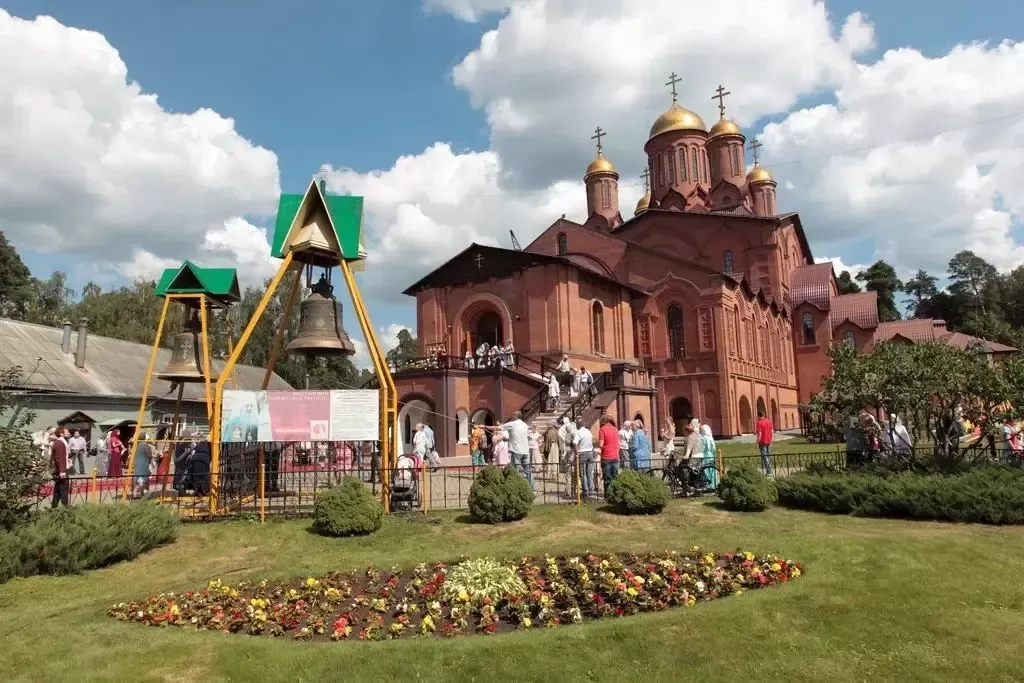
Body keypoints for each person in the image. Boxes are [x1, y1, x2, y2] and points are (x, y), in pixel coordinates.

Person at [497, 411, 532, 491]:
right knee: (528, 472)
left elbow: (497, 428)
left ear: (516, 416)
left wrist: (484, 426)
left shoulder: (512, 424)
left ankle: (515, 488)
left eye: (513, 415)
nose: (512, 416)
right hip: (525, 450)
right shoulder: (524, 424)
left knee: (515, 470)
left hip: (516, 450)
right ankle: (530, 489)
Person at [572, 417, 595, 500]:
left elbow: (574, 443)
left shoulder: (579, 432)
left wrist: (576, 451)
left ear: (578, 425)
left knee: (582, 473)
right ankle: (591, 489)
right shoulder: (588, 431)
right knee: (589, 472)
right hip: (590, 452)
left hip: (583, 452)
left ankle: (585, 491)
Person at [597, 416, 620, 491]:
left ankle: (607, 496)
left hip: (606, 457)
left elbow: (601, 444)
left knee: (607, 479)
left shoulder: (602, 430)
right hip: (615, 456)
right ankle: (615, 494)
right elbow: (618, 443)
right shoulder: (615, 429)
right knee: (615, 477)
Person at [49, 426, 70, 508]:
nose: (68, 432)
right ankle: (66, 509)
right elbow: (59, 457)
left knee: (58, 490)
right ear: (61, 433)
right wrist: (62, 471)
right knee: (63, 490)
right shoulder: (60, 443)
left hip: (61, 469)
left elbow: (63, 456)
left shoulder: (61, 442)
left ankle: (54, 507)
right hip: (60, 471)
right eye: (67, 431)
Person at [699, 424, 719, 489]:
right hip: (711, 455)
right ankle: (714, 484)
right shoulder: (711, 438)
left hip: (705, 455)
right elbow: (714, 448)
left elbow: (702, 448)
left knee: (705, 469)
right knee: (712, 469)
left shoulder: (703, 438)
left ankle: (708, 484)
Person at [755, 410, 774, 475]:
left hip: (762, 442)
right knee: (769, 455)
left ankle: (769, 471)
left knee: (765, 456)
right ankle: (770, 469)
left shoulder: (759, 423)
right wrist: (771, 440)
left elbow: (759, 434)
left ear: (758, 416)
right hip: (769, 441)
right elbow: (772, 431)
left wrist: (757, 442)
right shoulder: (768, 421)